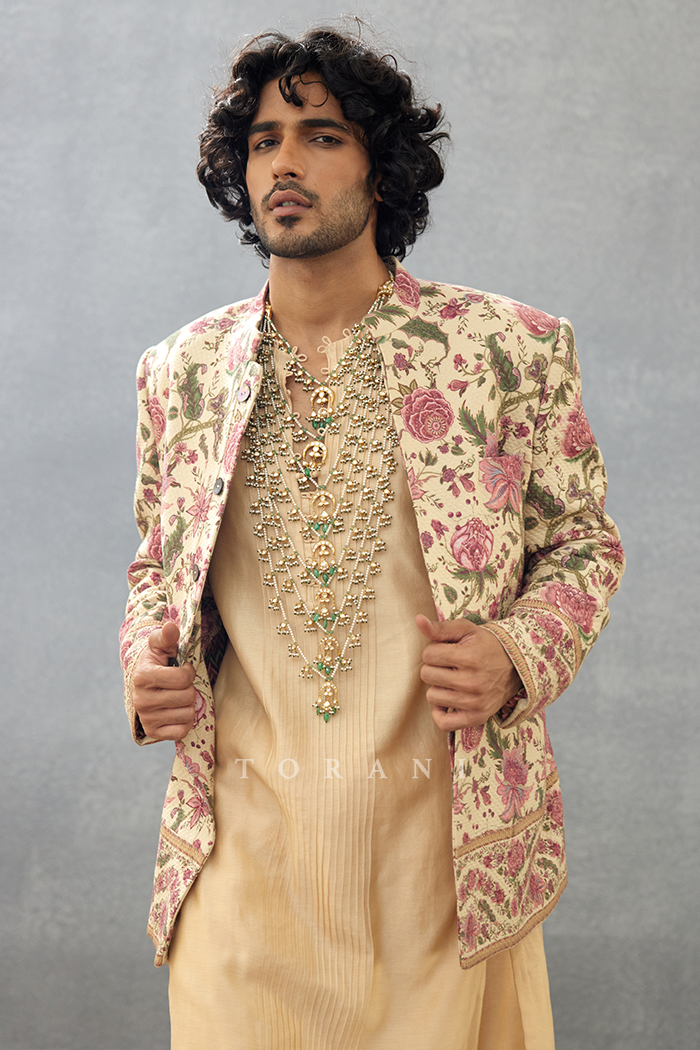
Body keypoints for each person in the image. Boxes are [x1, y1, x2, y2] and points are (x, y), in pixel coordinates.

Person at [120, 25, 624, 1050]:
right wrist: (144, 660)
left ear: (381, 169)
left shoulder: (505, 351)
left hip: (440, 863)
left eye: (321, 137)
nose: (285, 163)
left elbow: (582, 543)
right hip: (242, 858)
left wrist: (515, 652)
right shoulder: (182, 373)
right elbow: (154, 567)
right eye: (263, 141)